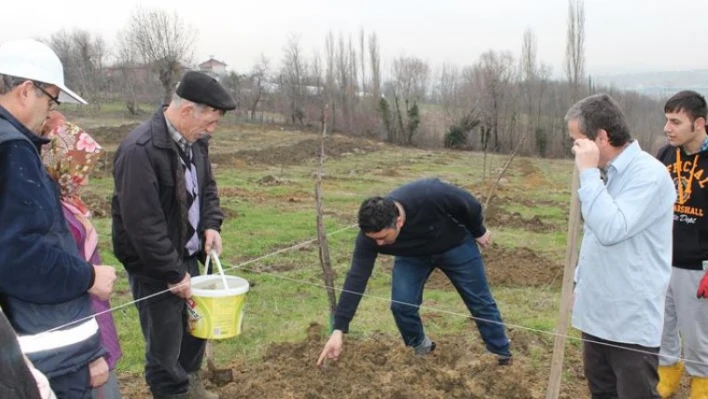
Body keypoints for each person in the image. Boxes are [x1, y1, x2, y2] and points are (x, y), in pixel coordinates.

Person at [0, 38, 116, 398]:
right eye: (50, 99)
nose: (49, 112)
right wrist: (89, 276)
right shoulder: (13, 150)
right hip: (42, 351)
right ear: (25, 91)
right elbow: (18, 257)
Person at [111, 71, 235, 399]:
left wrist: (211, 224)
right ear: (185, 111)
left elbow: (207, 187)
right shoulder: (141, 150)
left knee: (195, 329)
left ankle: (191, 385)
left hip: (187, 258)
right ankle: (172, 393)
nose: (212, 129)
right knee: (165, 346)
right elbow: (142, 224)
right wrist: (171, 272)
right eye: (210, 121)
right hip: (155, 268)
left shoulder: (195, 143)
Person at [317, 177, 512, 366]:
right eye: (374, 239)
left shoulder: (428, 193)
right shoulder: (369, 238)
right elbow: (356, 278)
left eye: (383, 237)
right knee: (402, 306)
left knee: (479, 300)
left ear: (399, 221)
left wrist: (478, 230)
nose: (379, 243)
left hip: (454, 246)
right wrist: (338, 329)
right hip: (412, 257)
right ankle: (419, 346)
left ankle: (499, 350)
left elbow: (468, 203)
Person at [567, 93, 676, 398]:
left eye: (578, 141)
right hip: (598, 315)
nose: (575, 149)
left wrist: (588, 174)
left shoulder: (649, 175)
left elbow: (612, 228)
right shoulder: (606, 174)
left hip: (629, 323)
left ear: (600, 137)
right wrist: (581, 283)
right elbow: (593, 239)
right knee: (602, 394)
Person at [40, 111, 124, 399]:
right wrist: (89, 354)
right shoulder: (50, 217)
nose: (85, 182)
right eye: (79, 171)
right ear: (57, 164)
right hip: (79, 340)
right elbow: (58, 287)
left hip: (93, 324)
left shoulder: (64, 204)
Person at [654, 90, 708, 399]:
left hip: (698, 266)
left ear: (698, 123)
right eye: (666, 120)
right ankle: (667, 377)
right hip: (663, 260)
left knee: (697, 332)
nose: (668, 128)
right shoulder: (664, 155)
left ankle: (702, 384)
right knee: (662, 324)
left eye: (676, 121)